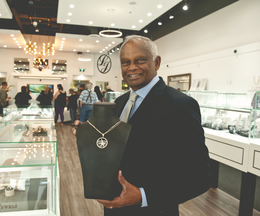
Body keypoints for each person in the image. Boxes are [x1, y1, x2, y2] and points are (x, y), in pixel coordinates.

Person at [75, 35, 212, 216]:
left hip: (153, 210)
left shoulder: (179, 105)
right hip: (114, 207)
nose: (131, 67)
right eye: (125, 62)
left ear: (157, 62)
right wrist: (88, 136)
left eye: (140, 60)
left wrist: (142, 196)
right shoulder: (121, 102)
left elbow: (200, 176)